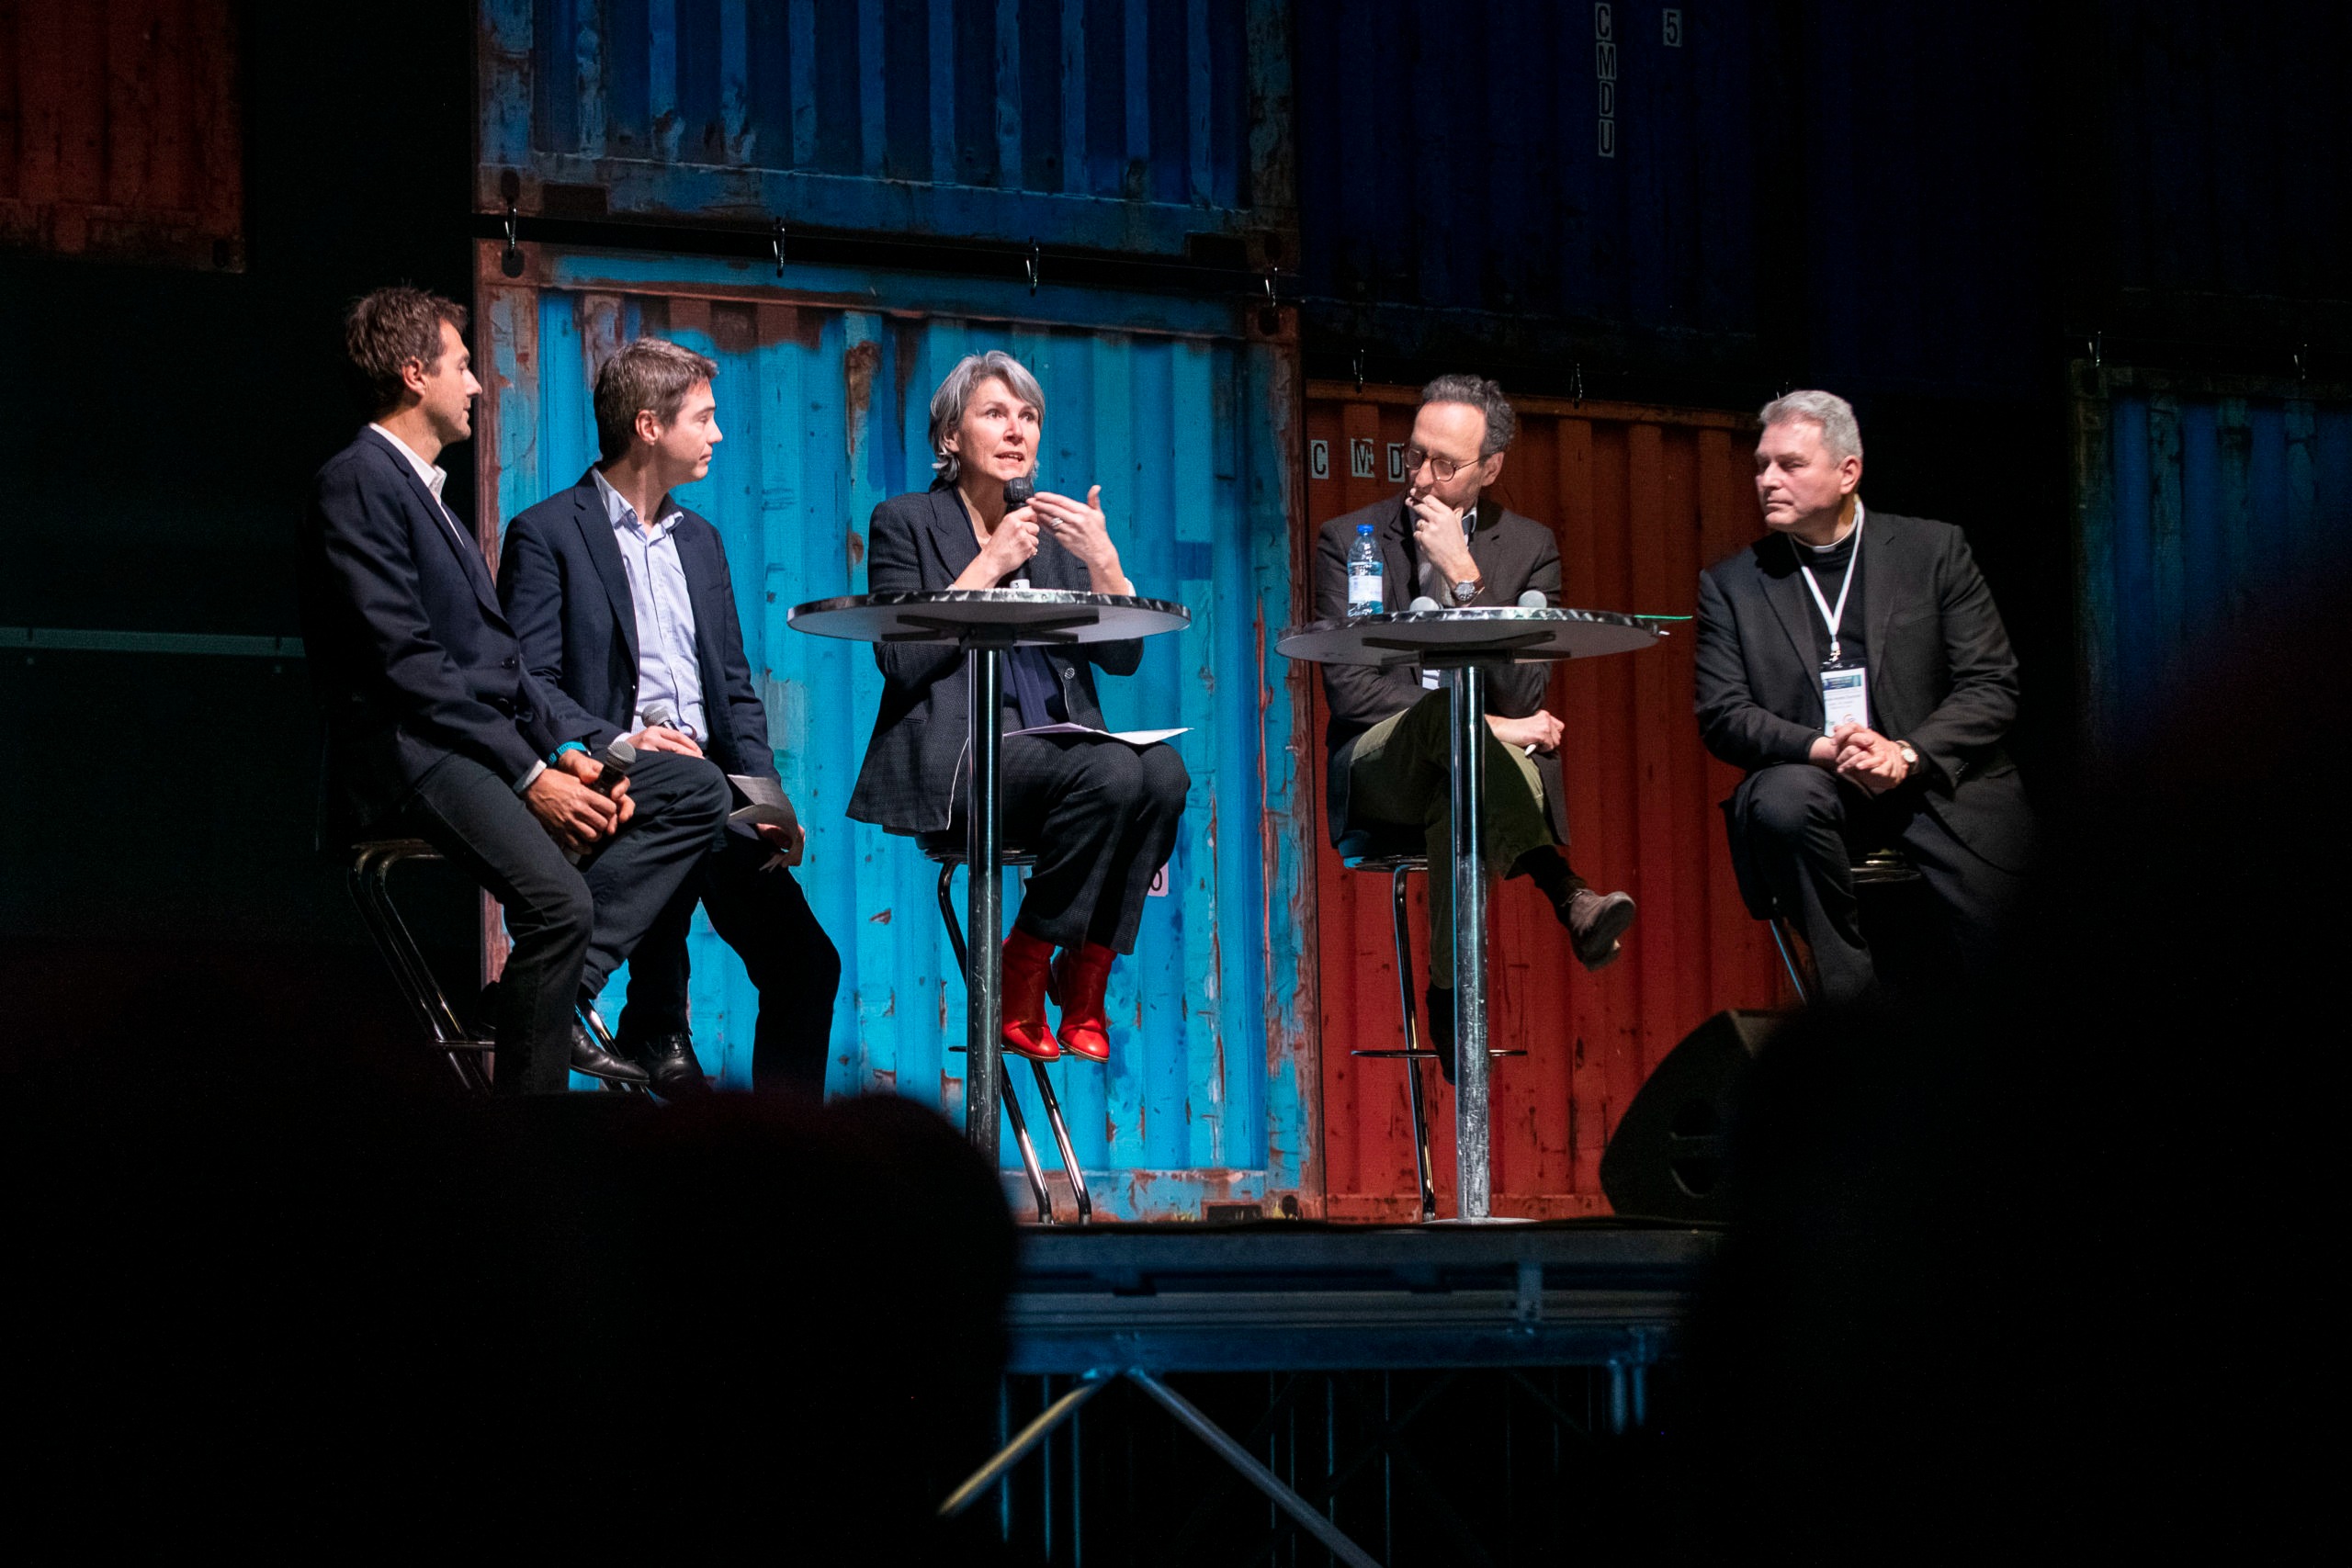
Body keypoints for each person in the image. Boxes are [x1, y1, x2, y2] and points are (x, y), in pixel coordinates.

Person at [297, 287, 729, 1093]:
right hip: (411, 754)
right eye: (463, 366)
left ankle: (541, 1000)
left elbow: (503, 666)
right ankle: (528, 1153)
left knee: (691, 786)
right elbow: (406, 664)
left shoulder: (428, 496)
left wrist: (575, 747)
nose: (478, 385)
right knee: (559, 909)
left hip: (473, 743)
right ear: (413, 372)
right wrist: (532, 776)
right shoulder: (357, 482)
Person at [499, 338, 842, 1097]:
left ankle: (786, 1162)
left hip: (713, 794)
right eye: (705, 418)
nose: (718, 435)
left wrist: (767, 795)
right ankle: (640, 1015)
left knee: (808, 964)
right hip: (622, 787)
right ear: (649, 426)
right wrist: (618, 740)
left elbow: (732, 685)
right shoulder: (549, 533)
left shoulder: (703, 542)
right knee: (686, 792)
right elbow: (528, 680)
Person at [847, 351, 1189, 1065]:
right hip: (964, 758)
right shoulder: (905, 522)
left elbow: (1122, 658)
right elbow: (900, 660)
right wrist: (990, 566)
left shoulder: (1054, 532)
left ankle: (1083, 973)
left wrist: (1104, 563)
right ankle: (1024, 964)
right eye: (995, 414)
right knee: (1114, 775)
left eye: (1028, 417)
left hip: (1062, 759)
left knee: (1163, 776)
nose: (1016, 431)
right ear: (949, 437)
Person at [1314, 375, 1636, 1083]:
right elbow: (1355, 691)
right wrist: (1505, 727)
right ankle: (1564, 890)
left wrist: (1466, 577)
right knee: (1443, 721)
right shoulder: (1351, 541)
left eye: (1445, 464)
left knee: (1455, 796)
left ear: (1491, 468)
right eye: (1413, 456)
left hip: (1468, 773)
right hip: (1381, 768)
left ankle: (1450, 995)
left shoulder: (1528, 548)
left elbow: (1527, 684)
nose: (1421, 478)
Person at [1694, 389, 2032, 1005]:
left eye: (1789, 464)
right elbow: (1723, 714)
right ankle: (1850, 1011)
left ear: (1848, 471)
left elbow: (1991, 684)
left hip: (1929, 779)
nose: (1767, 479)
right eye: (1761, 465)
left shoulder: (1935, 551)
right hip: (1820, 781)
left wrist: (1905, 753)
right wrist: (1825, 748)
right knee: (1780, 799)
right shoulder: (1733, 584)